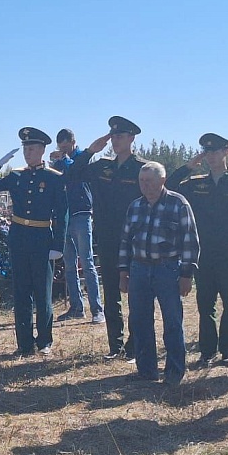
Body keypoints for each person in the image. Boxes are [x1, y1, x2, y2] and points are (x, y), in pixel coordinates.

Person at [166, 133, 228, 368]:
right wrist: (187, 167)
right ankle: (207, 351)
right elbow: (168, 187)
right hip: (202, 254)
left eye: (216, 151)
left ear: (226, 152)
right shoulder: (195, 184)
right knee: (205, 304)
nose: (211, 156)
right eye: (207, 152)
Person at [0, 127, 67, 356]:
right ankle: (24, 343)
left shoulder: (53, 178)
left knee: (42, 291)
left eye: (32, 148)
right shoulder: (18, 175)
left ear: (42, 150)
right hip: (19, 236)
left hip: (41, 237)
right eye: (26, 148)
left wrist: (58, 245)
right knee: (21, 291)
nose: (28, 152)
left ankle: (45, 340)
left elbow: (61, 213)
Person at [68, 116, 149, 360]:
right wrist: (90, 151)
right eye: (113, 136)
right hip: (107, 237)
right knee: (112, 292)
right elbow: (72, 176)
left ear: (132, 138)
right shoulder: (102, 166)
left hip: (134, 239)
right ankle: (116, 346)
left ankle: (135, 346)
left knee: (136, 293)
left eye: (121, 136)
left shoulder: (142, 168)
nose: (115, 140)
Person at [119, 162, 199, 386]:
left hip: (168, 269)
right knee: (140, 321)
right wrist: (123, 272)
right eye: (142, 182)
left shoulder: (179, 204)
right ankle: (146, 370)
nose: (145, 186)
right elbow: (125, 241)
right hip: (138, 269)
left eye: (150, 182)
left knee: (172, 321)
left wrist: (187, 274)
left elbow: (190, 241)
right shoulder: (135, 206)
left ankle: (174, 372)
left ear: (162, 181)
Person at [50, 128, 104, 324]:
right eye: (60, 147)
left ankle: (97, 309)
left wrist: (61, 159)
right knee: (69, 265)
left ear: (73, 142)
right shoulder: (59, 162)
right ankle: (76, 307)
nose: (63, 150)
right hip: (65, 216)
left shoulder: (82, 157)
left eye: (66, 146)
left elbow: (74, 169)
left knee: (87, 262)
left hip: (81, 214)